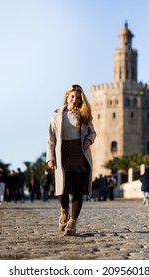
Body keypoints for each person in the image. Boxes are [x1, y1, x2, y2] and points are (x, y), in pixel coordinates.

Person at [46, 84, 96, 236]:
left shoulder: (84, 115)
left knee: (78, 191)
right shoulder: (56, 114)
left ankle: (73, 221)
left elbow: (93, 133)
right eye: (72, 96)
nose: (75, 99)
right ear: (67, 97)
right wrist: (50, 157)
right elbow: (51, 138)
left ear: (81, 100)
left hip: (80, 154)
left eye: (78, 98)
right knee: (63, 189)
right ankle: (64, 210)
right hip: (62, 154)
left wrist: (89, 139)